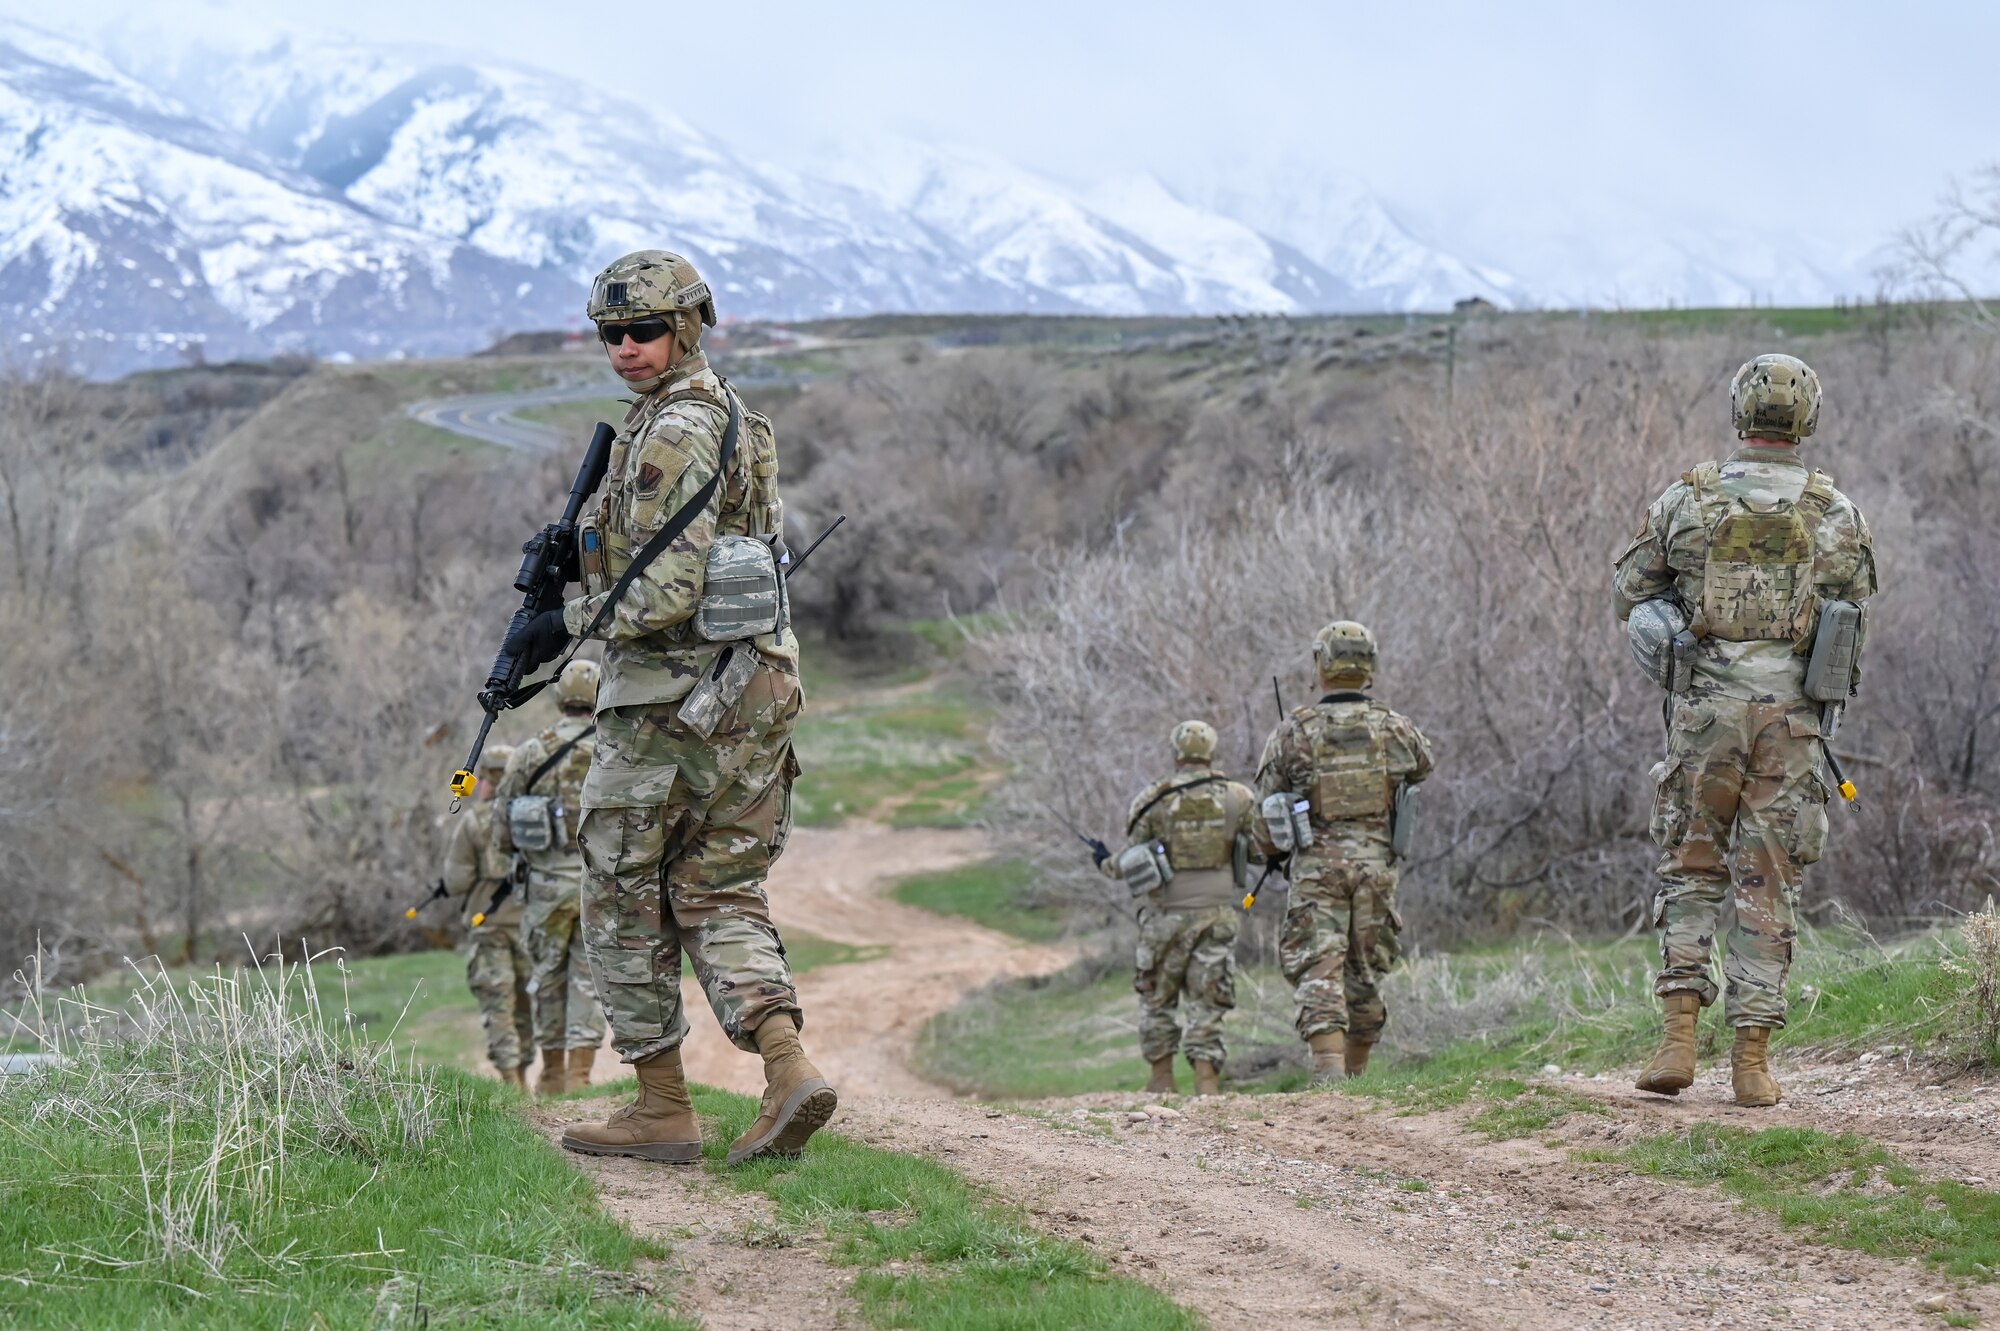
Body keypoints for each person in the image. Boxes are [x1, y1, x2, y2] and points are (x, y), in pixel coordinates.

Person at [502, 249, 831, 1165]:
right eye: (609, 333)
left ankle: (661, 1106)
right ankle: (788, 1066)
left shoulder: (674, 432)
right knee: (719, 888)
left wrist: (563, 620)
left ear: (688, 326)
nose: (624, 348)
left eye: (643, 329)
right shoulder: (731, 417)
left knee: (615, 890)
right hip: (752, 685)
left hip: (672, 701)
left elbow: (662, 600)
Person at [1614, 353, 1875, 1107]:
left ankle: (1677, 1039)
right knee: (1768, 881)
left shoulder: (1686, 500)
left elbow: (1630, 593)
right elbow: (1853, 624)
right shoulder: (1837, 515)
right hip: (1790, 728)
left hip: (1703, 718)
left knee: (1692, 866)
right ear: (1808, 420)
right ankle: (1752, 1062)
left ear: (1738, 412)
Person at [1255, 622, 1434, 1084]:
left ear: (1321, 666)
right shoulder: (1396, 728)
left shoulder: (1294, 730)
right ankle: (1355, 1078)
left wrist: (1272, 849)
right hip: (1377, 868)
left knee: (1320, 962)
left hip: (1317, 867)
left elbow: (1266, 811)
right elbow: (1421, 768)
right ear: (1369, 665)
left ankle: (1329, 1073)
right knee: (1365, 966)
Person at [1098, 721, 1258, 1097]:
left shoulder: (1152, 800)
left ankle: (1161, 1080)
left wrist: (1105, 863)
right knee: (1209, 998)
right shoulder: (1238, 797)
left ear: (1176, 753)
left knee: (1157, 997)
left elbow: (1133, 857)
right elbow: (1258, 847)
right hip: (1217, 915)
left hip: (1164, 917)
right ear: (1212, 752)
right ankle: (1207, 1084)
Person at [491, 659, 607, 1096]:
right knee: (588, 979)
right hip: (599, 886)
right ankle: (580, 1075)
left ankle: (553, 1073)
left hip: (543, 888)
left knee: (547, 976)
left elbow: (502, 827)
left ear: (559, 699)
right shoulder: (615, 747)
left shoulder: (529, 752)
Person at [442, 743, 532, 1090]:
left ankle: (510, 1081)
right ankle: (524, 1075)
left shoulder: (474, 822)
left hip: (487, 927)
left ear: (485, 780)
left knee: (498, 1006)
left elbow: (455, 881)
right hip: (527, 925)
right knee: (526, 1003)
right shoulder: (530, 814)